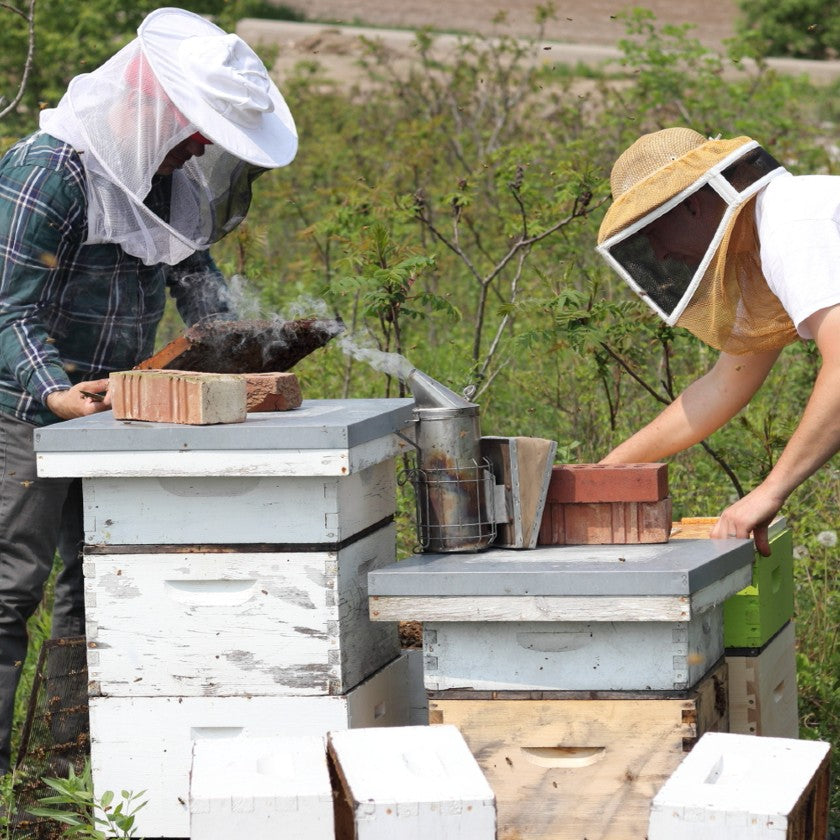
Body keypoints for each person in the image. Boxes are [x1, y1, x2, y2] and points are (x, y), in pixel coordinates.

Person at [0, 7, 297, 773]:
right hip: (23, 409)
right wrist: (54, 392)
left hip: (116, 411)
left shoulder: (168, 183)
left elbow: (197, 283)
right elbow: (8, 310)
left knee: (96, 587)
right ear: (152, 106)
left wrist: (247, 350)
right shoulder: (48, 172)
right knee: (10, 590)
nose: (202, 147)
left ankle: (62, 777)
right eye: (196, 128)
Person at [596, 126, 840, 556]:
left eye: (652, 233)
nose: (660, 254)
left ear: (690, 205)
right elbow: (724, 384)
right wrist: (605, 473)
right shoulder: (764, 237)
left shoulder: (793, 225)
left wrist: (770, 490)